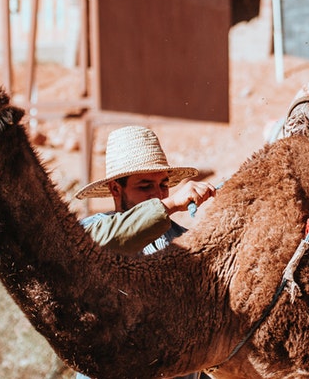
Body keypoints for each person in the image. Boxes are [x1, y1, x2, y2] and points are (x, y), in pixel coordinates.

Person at [72, 125, 215, 379]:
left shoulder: (185, 241)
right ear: (116, 189)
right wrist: (168, 205)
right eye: (146, 186)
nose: (158, 194)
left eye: (163, 185)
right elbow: (98, 244)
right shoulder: (92, 233)